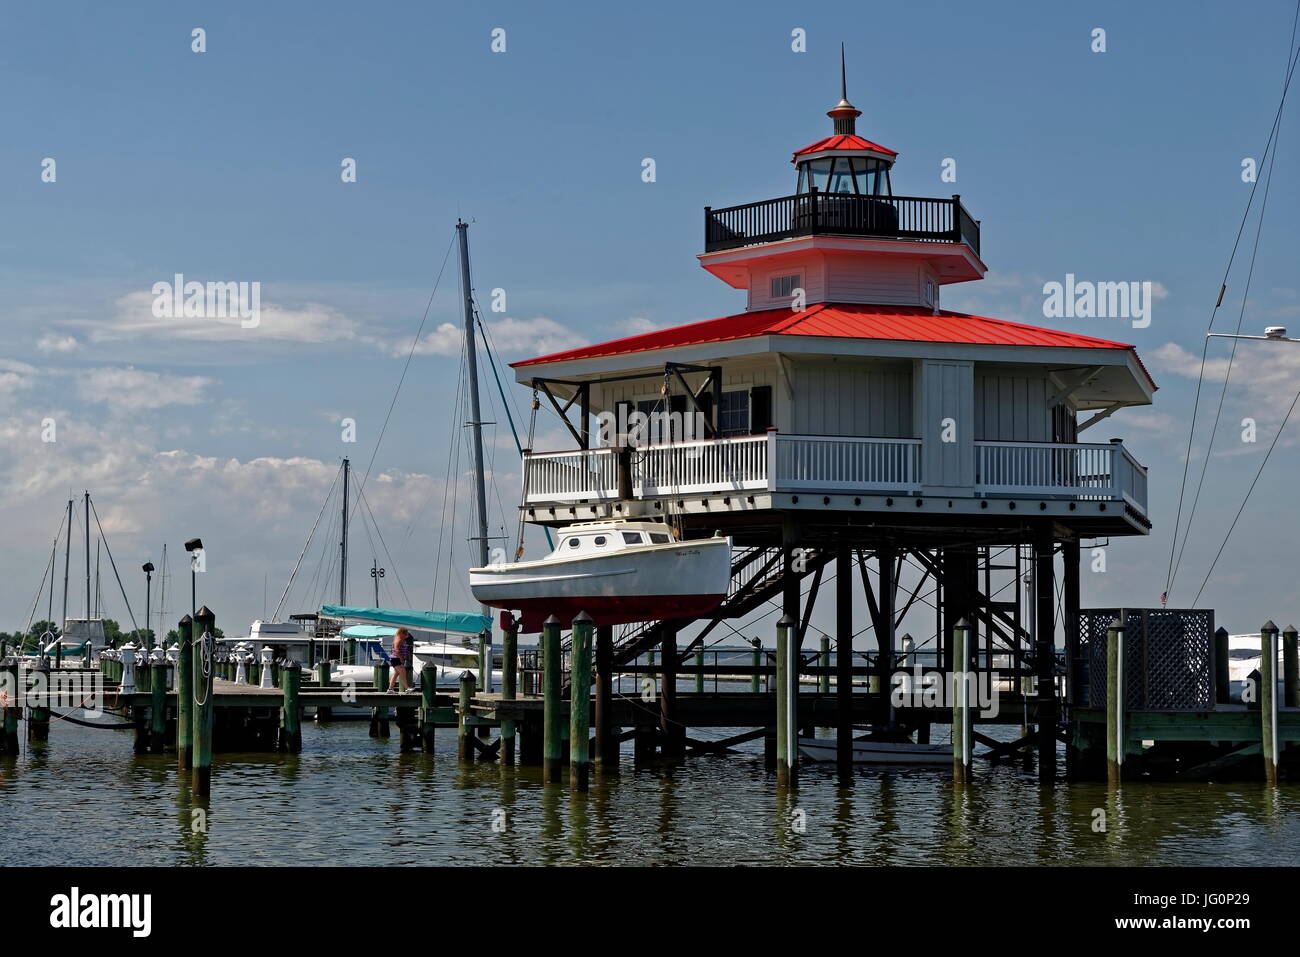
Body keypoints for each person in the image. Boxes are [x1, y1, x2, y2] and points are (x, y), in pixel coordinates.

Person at [388, 627, 412, 692]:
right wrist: (401, 658)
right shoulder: (398, 639)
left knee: (396, 674)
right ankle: (407, 688)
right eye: (405, 634)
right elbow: (397, 650)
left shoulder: (401, 639)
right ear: (402, 633)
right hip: (396, 658)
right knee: (403, 672)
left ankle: (390, 689)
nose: (406, 635)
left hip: (397, 658)